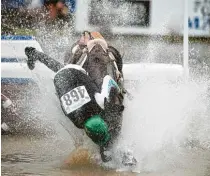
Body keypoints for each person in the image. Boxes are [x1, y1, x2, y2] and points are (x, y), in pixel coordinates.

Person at [24, 31, 136, 166]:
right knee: (111, 132)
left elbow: (62, 70)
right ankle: (121, 154)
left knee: (108, 130)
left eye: (83, 37)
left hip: (103, 100)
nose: (80, 38)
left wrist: (37, 55)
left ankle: (119, 153)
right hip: (105, 99)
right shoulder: (89, 59)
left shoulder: (85, 57)